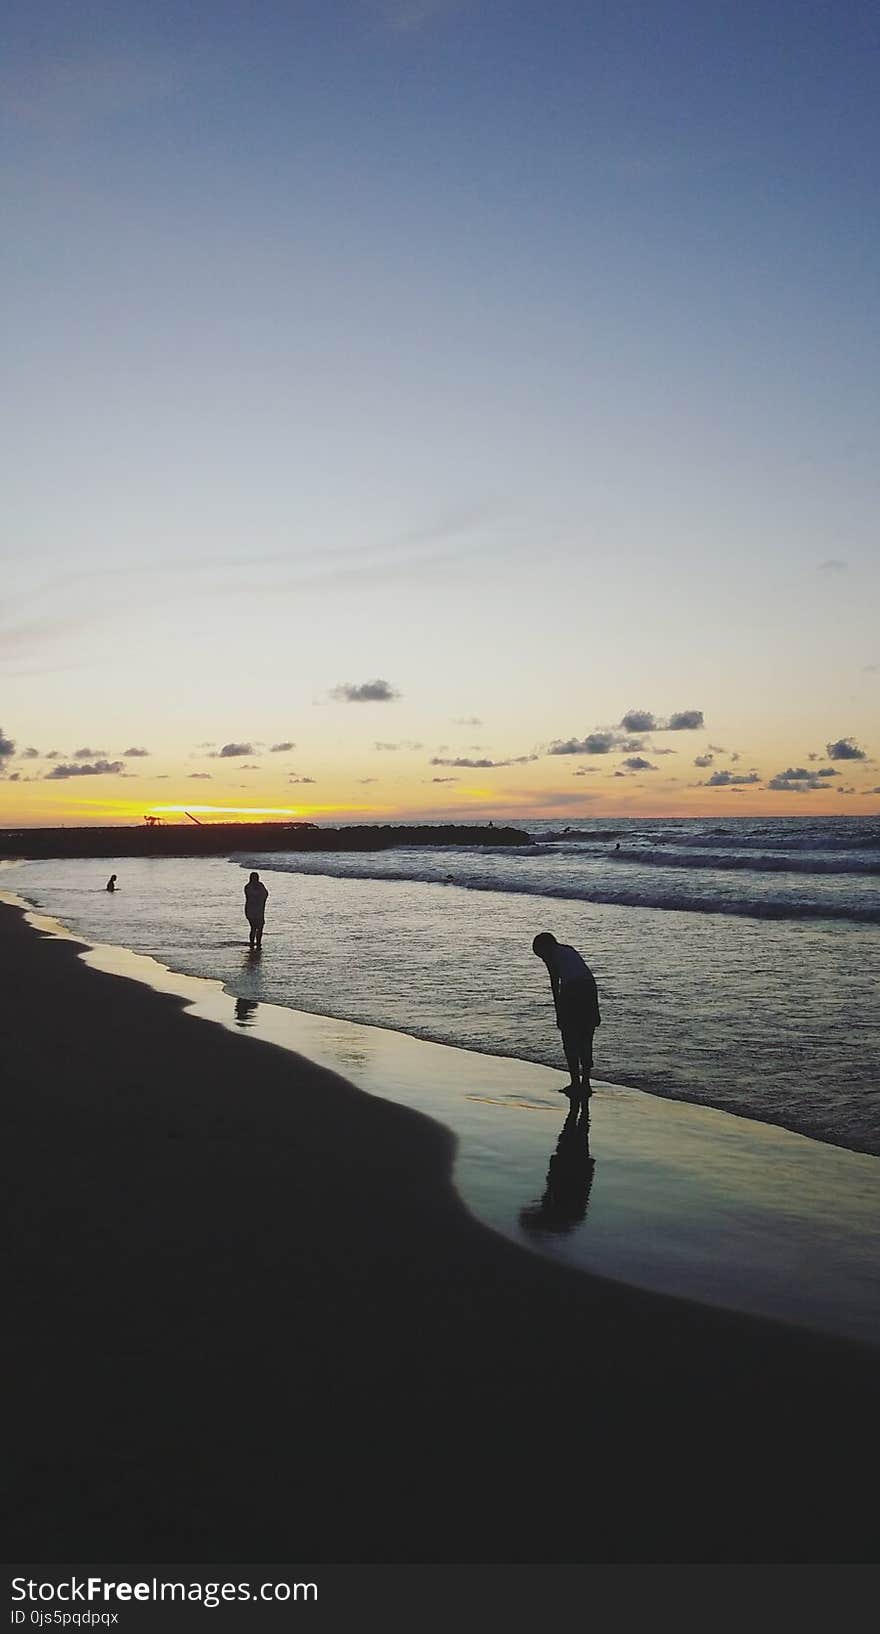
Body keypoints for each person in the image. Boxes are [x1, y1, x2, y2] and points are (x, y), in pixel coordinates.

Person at [532, 931, 600, 1100]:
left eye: (540, 955)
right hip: (589, 989)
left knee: (569, 1038)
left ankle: (575, 1083)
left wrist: (559, 1013)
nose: (542, 960)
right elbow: (589, 978)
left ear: (545, 948)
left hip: (573, 991)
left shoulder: (551, 955)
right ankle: (586, 1083)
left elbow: (555, 983)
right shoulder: (568, 950)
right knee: (586, 1038)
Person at [244, 871, 269, 950]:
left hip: (259, 910)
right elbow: (253, 896)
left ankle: (258, 942)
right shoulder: (248, 887)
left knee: (260, 927)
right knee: (254, 927)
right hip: (251, 910)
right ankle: (252, 943)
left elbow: (266, 893)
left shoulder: (260, 885)